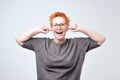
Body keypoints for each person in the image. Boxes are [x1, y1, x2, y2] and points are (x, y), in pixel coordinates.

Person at [15, 11, 106, 80]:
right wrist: (38, 30)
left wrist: (81, 28)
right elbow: (19, 40)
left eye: (62, 24)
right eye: (55, 25)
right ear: (51, 28)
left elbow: (101, 39)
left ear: (67, 27)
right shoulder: (42, 44)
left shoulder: (77, 44)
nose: (59, 28)